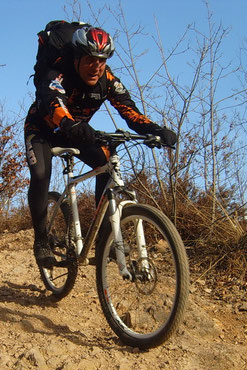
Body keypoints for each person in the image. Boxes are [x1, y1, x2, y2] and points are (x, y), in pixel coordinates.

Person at [25, 25, 177, 266]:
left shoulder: (107, 80)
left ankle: (104, 238)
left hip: (77, 132)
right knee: (41, 173)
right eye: (89, 60)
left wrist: (155, 130)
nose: (96, 67)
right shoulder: (58, 73)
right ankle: (41, 239)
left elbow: (130, 112)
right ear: (76, 57)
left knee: (105, 163)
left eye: (101, 61)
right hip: (43, 129)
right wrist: (70, 124)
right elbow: (55, 103)